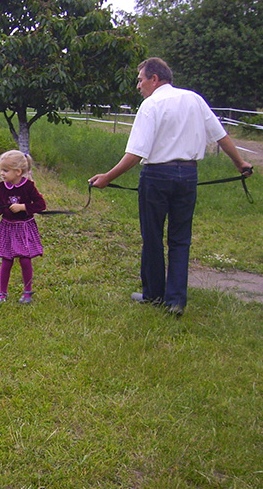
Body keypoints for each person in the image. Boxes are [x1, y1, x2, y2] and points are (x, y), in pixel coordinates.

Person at [88, 57, 252, 316]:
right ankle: (175, 301)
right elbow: (221, 136)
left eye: (140, 80)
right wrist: (240, 163)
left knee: (152, 237)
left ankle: (153, 295)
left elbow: (135, 153)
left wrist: (107, 177)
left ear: (155, 79)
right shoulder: (194, 99)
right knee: (180, 239)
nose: (138, 86)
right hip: (188, 176)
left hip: (156, 176)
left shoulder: (151, 104)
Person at [0, 150, 47, 304]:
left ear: (18, 172)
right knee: (6, 260)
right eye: (1, 170)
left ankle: (27, 292)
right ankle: (2, 293)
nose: (2, 174)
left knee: (25, 259)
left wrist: (23, 207)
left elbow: (41, 205)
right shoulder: (1, 187)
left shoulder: (28, 187)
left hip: (24, 228)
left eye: (5, 171)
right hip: (7, 228)